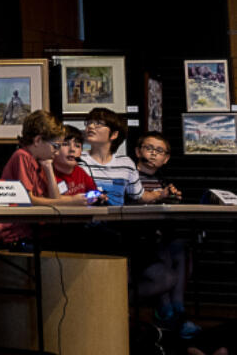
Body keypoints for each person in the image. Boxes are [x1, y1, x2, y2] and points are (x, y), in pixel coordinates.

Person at [0, 111, 89, 249]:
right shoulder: (22, 156)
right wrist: (72, 201)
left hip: (35, 231)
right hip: (16, 233)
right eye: (55, 146)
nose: (57, 151)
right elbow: (29, 200)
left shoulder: (41, 161)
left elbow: (54, 198)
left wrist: (48, 168)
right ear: (37, 140)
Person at [132, 132, 198, 338]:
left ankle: (176, 308)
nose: (153, 154)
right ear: (137, 151)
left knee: (180, 248)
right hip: (137, 239)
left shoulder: (163, 180)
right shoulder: (130, 177)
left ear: (166, 158)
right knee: (164, 249)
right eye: (148, 148)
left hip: (159, 234)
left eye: (159, 151)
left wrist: (174, 198)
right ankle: (167, 311)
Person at [79, 107, 146, 205]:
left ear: (114, 134)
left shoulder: (126, 163)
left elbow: (139, 196)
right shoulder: (78, 160)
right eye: (89, 122)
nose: (91, 126)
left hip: (116, 219)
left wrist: (160, 194)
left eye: (98, 123)